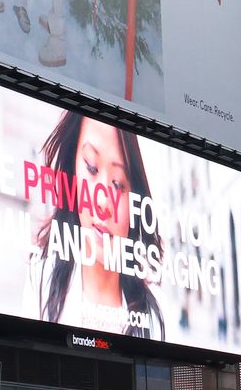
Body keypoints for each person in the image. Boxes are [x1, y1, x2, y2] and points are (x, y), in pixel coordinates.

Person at [28, 113, 164, 340]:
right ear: (72, 168)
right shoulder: (40, 280)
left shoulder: (153, 313)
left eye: (118, 184)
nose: (102, 202)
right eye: (91, 168)